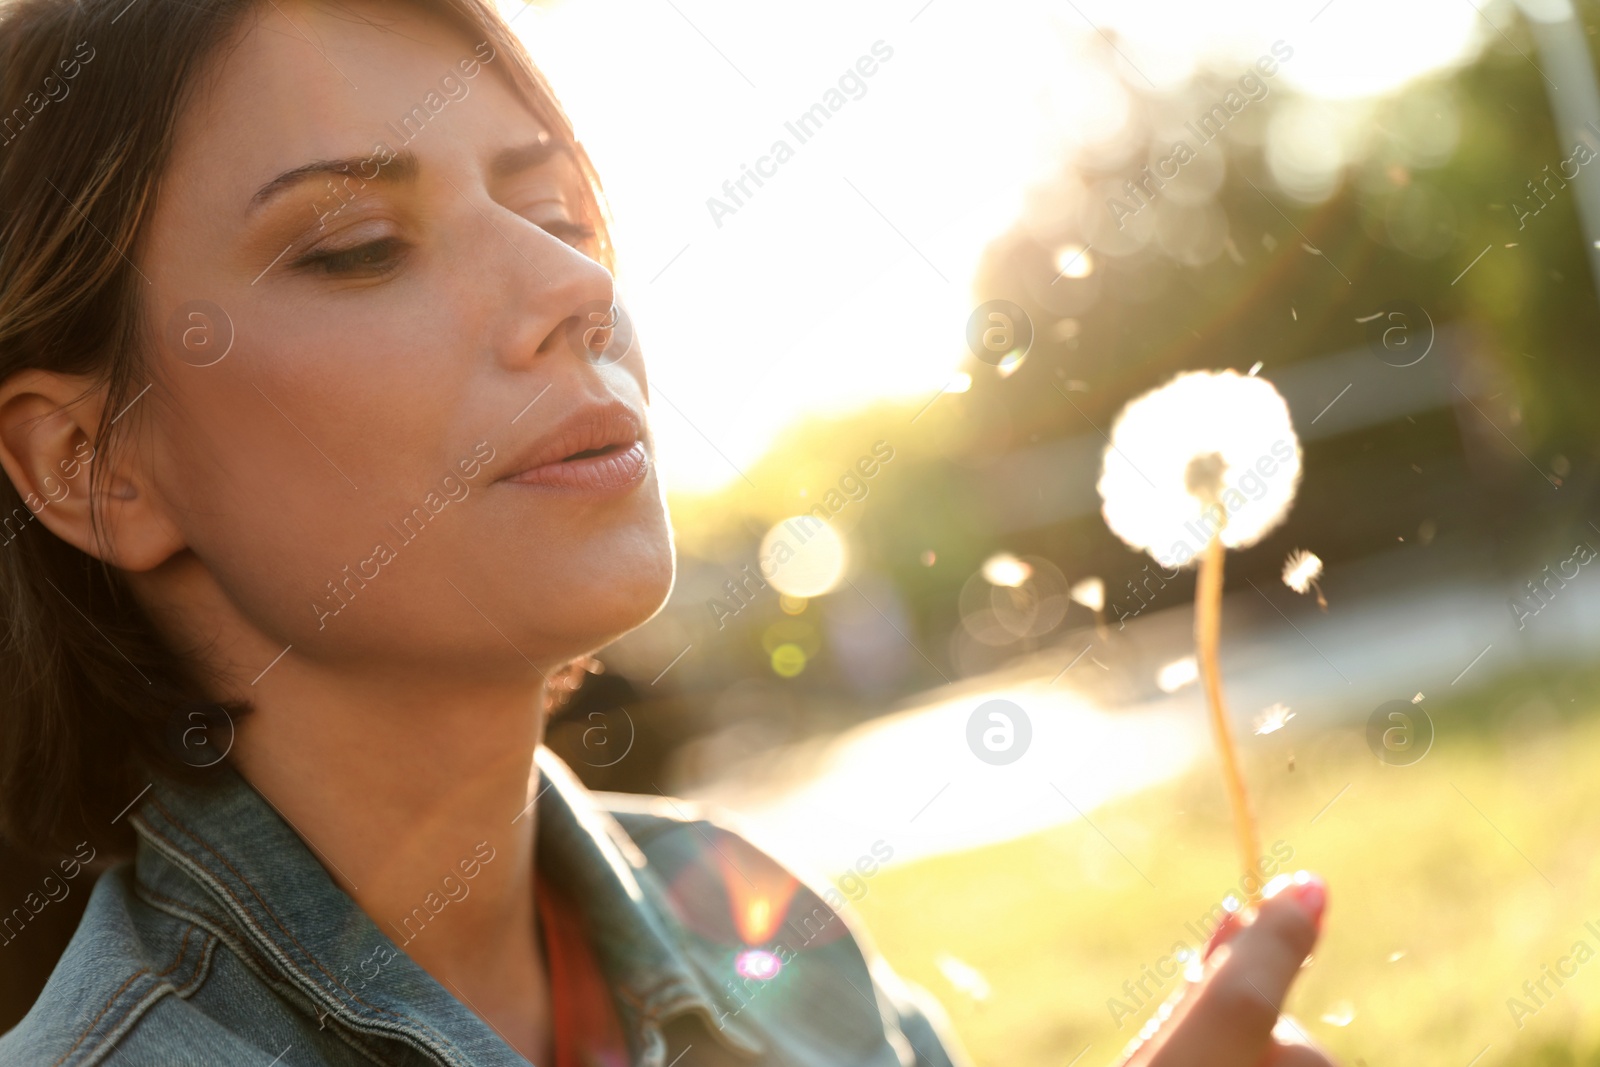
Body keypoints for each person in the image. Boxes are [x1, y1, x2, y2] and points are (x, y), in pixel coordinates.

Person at [0, 1, 1336, 1063]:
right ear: (92, 466)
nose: (575, 287)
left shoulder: (760, 925)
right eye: (357, 243)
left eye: (555, 213)